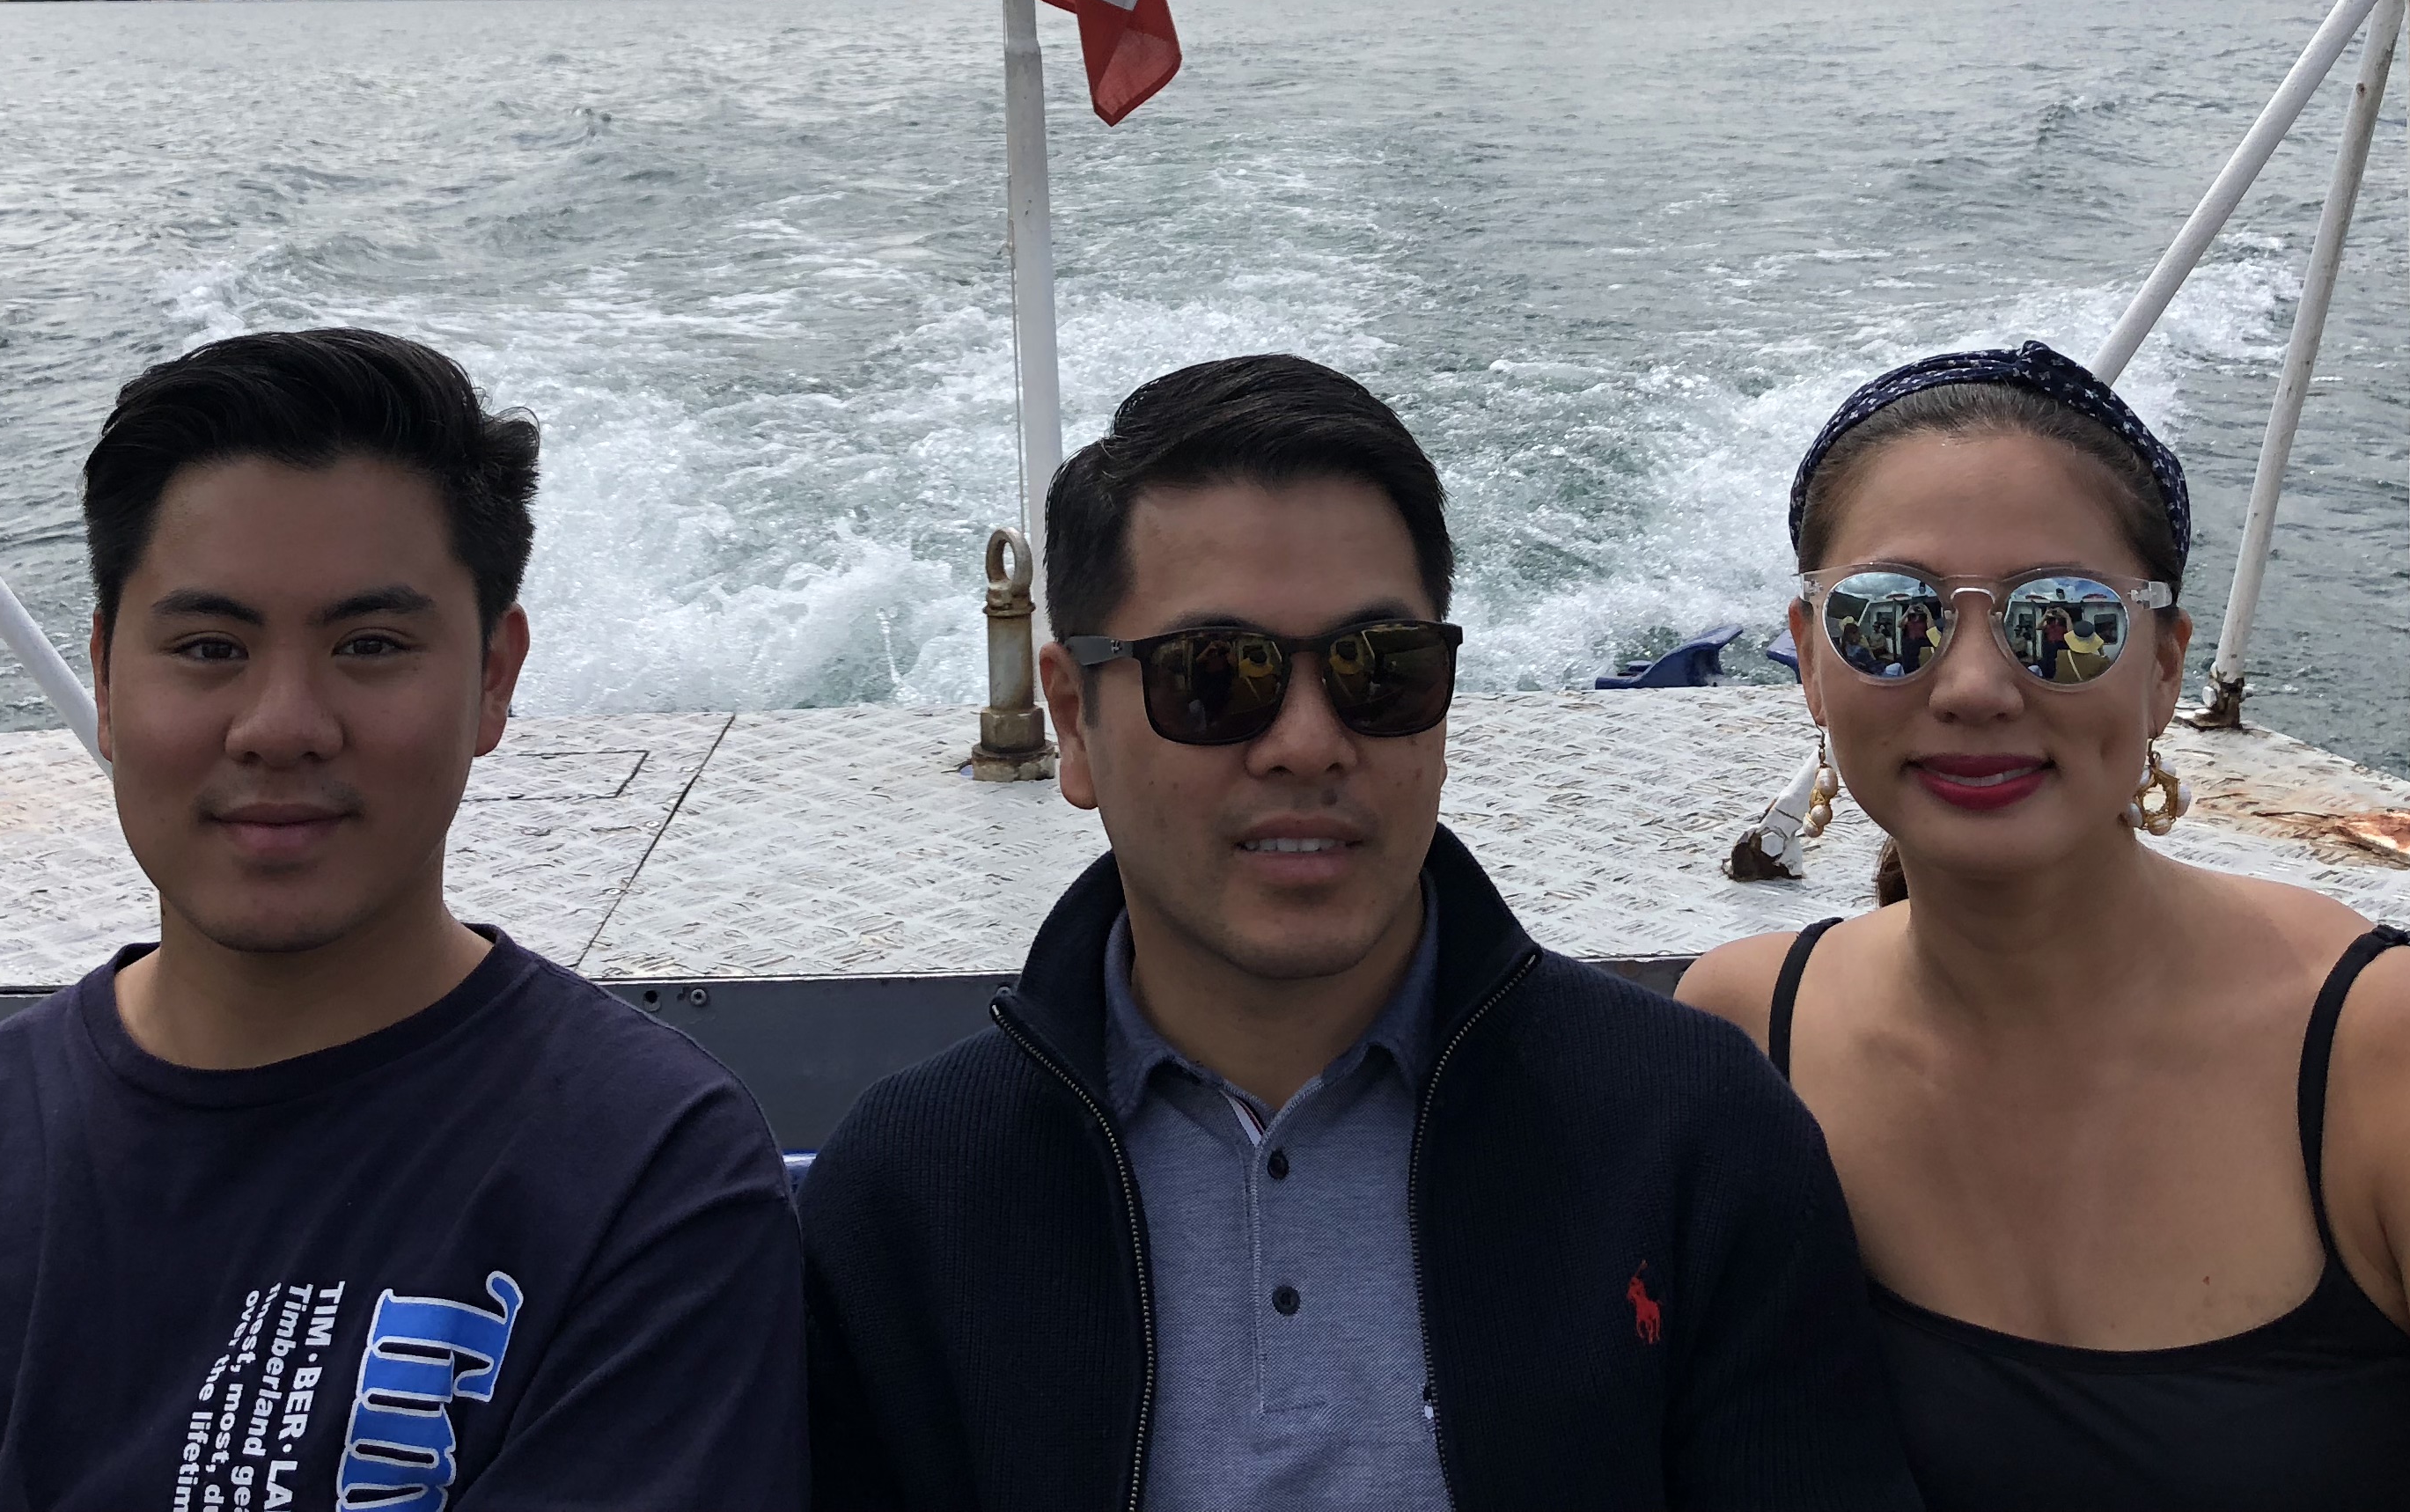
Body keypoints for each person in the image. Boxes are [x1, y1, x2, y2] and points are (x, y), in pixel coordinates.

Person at [0, 327, 808, 1512]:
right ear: (107, 682)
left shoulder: (644, 1175)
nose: (281, 725)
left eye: (371, 646)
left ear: (492, 679)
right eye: (210, 648)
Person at [797, 352, 1916, 1512]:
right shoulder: (909, 1204)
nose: (1307, 744)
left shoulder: (1693, 1144)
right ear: (1074, 722)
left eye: (1378, 671)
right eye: (1214, 676)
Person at [1678, 342, 2410, 1512]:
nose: (1976, 686)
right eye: (1891, 621)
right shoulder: (1744, 1037)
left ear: (2163, 669)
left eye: (2066, 621)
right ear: (1809, 658)